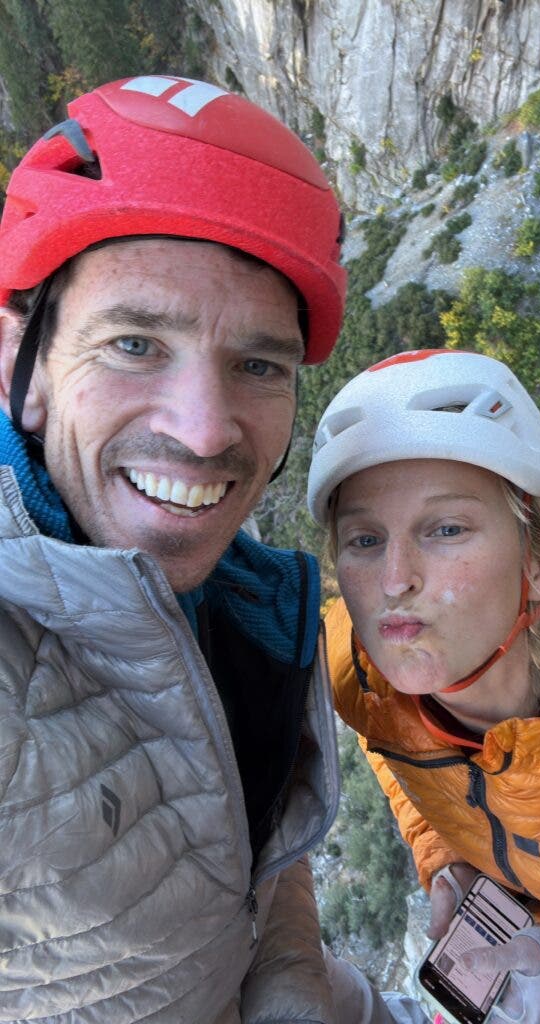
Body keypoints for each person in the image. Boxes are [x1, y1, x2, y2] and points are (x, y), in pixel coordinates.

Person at [0, 75, 430, 1024]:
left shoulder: (245, 599)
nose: (204, 433)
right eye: (135, 344)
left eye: (258, 365)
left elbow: (258, 860)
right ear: (20, 366)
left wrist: (292, 988)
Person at [307, 348, 540, 1024]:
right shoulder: (356, 668)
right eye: (364, 540)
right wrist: (444, 857)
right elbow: (386, 744)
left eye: (447, 529)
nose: (395, 581)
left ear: (539, 562)